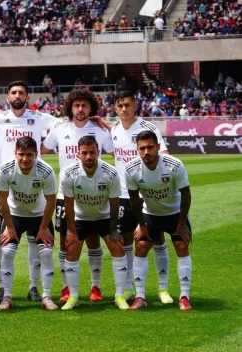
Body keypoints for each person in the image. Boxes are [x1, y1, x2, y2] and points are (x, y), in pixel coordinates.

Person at [0, 81, 57, 302]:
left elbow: (66, 122)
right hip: (6, 185)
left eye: (21, 93)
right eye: (13, 92)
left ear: (27, 97)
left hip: (34, 185)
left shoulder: (39, 117)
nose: (17, 95)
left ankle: (34, 288)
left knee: (37, 243)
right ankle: (2, 288)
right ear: (7, 97)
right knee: (3, 240)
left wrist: (93, 119)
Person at [41, 89, 114, 303]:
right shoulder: (58, 129)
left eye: (84, 105)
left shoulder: (100, 131)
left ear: (90, 108)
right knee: (66, 242)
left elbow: (117, 152)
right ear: (70, 108)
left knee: (93, 241)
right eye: (76, 105)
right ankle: (66, 288)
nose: (80, 109)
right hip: (66, 194)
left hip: (94, 193)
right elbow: (41, 151)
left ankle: (96, 287)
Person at [111, 90, 172, 304]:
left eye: (127, 105)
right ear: (115, 108)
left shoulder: (148, 128)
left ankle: (163, 289)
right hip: (123, 194)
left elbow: (163, 156)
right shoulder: (114, 130)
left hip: (147, 194)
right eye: (120, 105)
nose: (124, 109)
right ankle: (129, 287)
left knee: (156, 238)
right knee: (127, 240)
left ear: (135, 105)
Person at [125, 131, 193, 311]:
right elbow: (135, 201)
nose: (146, 152)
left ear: (157, 147)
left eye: (150, 147)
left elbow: (186, 195)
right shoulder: (131, 169)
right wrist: (141, 225)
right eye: (142, 148)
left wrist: (181, 223)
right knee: (140, 246)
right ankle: (140, 296)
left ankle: (184, 297)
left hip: (175, 213)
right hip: (151, 215)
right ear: (137, 149)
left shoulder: (174, 165)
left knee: (182, 246)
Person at [60, 136, 129, 310]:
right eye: (85, 153)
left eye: (92, 152)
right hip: (81, 217)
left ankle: (119, 295)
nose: (89, 156)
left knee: (117, 247)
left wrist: (114, 230)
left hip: (104, 217)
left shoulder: (111, 173)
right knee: (72, 248)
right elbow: (68, 205)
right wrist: (72, 231)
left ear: (98, 152)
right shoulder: (69, 173)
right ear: (78, 154)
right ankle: (73, 296)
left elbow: (114, 204)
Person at [0, 136, 57, 311]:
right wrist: (10, 227)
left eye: (29, 154)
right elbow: (2, 200)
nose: (25, 159)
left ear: (36, 154)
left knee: (45, 254)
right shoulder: (5, 170)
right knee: (6, 252)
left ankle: (46, 296)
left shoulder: (46, 171)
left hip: (39, 216)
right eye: (21, 154)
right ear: (15, 152)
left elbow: (51, 201)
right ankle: (7, 296)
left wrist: (44, 228)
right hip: (15, 214)